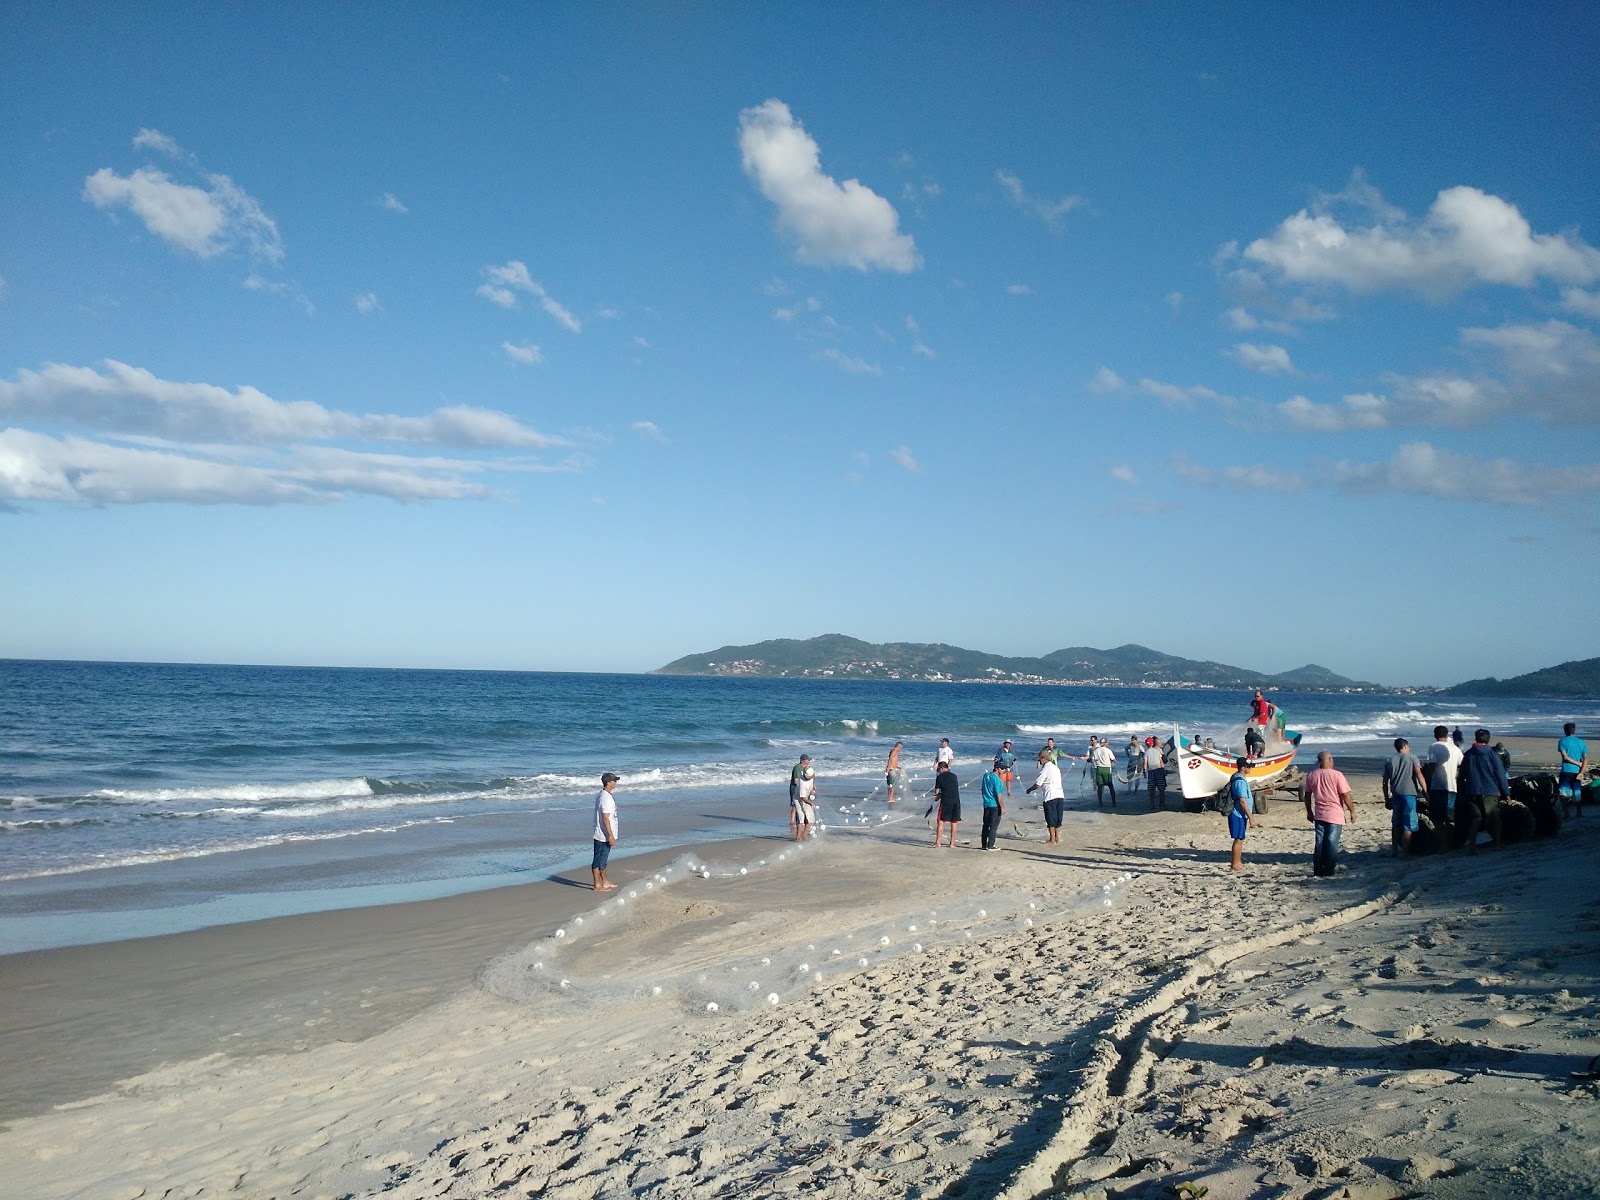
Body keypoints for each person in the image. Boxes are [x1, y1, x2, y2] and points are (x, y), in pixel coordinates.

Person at [1302, 751, 1355, 876]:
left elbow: (1307, 796)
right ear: (1329, 759)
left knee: (1320, 842)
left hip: (1319, 813)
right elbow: (1345, 795)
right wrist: (1352, 811)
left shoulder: (1312, 775)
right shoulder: (1337, 775)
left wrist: (1309, 812)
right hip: (1334, 813)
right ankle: (1329, 869)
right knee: (1331, 842)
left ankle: (1319, 868)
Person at [1460, 728, 1509, 854]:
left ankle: (1472, 845)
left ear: (1476, 739)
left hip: (1472, 791)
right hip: (1490, 790)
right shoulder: (1492, 754)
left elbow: (1462, 775)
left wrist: (1461, 791)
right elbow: (1500, 774)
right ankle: (1497, 844)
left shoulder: (1469, 754)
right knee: (1494, 817)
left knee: (1476, 818)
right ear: (1487, 739)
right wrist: (1506, 793)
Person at [1382, 737, 1428, 858]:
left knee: (1396, 823)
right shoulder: (1413, 758)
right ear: (1406, 746)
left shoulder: (1390, 760)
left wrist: (1386, 798)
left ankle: (1394, 849)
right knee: (1408, 824)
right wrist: (1425, 791)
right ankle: (1406, 852)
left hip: (1396, 793)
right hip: (1409, 794)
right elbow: (1419, 774)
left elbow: (1385, 782)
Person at [1425, 725, 1463, 847]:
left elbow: (1432, 765)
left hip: (1438, 786)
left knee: (1437, 817)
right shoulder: (1455, 749)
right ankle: (1451, 843)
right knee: (1450, 817)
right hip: (1452, 786)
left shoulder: (1434, 747)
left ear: (1435, 735)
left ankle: (1443, 844)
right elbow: (1462, 764)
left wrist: (1427, 781)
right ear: (1447, 735)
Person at [1027, 749, 1065, 844]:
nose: (1039, 761)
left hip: (1050, 795)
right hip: (1060, 794)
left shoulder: (1046, 769)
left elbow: (1038, 784)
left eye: (1040, 759)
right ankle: (1057, 838)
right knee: (1058, 817)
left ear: (1044, 759)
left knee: (1050, 818)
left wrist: (1029, 790)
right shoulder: (1056, 768)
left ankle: (1052, 839)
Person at [591, 771, 620, 891]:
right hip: (602, 835)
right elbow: (605, 818)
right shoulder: (606, 798)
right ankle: (597, 885)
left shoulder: (602, 794)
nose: (616, 782)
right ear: (609, 783)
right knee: (598, 861)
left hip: (604, 834)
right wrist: (611, 836)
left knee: (603, 860)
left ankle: (605, 882)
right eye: (614, 781)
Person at [1227, 757, 1255, 871]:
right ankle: (1235, 863)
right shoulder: (1239, 781)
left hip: (1240, 814)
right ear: (1243, 768)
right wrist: (1251, 817)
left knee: (1240, 838)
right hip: (1237, 813)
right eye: (1249, 767)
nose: (1250, 769)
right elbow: (1242, 801)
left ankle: (1238, 862)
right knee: (1238, 839)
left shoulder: (1240, 779)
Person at [1557, 722, 1589, 818]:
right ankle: (1579, 812)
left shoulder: (1562, 741)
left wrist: (1577, 763)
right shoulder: (1581, 742)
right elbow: (1586, 759)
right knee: (1577, 792)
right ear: (1574, 730)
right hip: (1577, 771)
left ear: (1565, 731)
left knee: (1563, 792)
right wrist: (1582, 771)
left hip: (1567, 770)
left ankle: (1566, 812)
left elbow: (1565, 757)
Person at [932, 759, 961, 848]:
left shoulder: (940, 777)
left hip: (945, 802)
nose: (938, 772)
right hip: (956, 801)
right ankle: (952, 844)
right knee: (954, 822)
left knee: (940, 821)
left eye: (938, 770)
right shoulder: (954, 776)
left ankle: (938, 842)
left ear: (942, 768)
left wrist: (938, 797)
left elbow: (936, 792)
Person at [980, 760, 1005, 850]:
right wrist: (1002, 807)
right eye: (1002, 769)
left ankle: (983, 844)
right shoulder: (997, 780)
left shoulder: (986, 776)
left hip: (986, 804)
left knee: (986, 825)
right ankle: (991, 845)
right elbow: (999, 795)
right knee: (993, 826)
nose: (1004, 771)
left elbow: (982, 790)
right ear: (997, 769)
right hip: (994, 805)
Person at [1090, 737, 1117, 807]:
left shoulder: (1096, 750)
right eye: (1107, 742)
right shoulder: (1108, 750)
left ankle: (1100, 802)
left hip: (1099, 769)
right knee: (1110, 786)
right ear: (1105, 743)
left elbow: (1092, 760)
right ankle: (1113, 802)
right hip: (1106, 769)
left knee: (1100, 787)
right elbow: (1114, 760)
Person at [789, 754, 811, 839]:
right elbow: (796, 781)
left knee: (799, 806)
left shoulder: (806, 769)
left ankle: (794, 821)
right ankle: (792, 821)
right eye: (807, 760)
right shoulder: (798, 768)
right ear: (802, 760)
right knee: (794, 806)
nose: (808, 761)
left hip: (802, 791)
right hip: (795, 790)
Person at [1144, 737, 1168, 810]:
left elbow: (1145, 763)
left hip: (1151, 771)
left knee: (1151, 789)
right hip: (1159, 770)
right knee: (1161, 789)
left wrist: (1144, 771)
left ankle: (1152, 804)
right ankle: (1162, 804)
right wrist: (1163, 770)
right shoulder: (1158, 751)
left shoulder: (1146, 752)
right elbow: (1161, 762)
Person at [793, 766, 817, 841]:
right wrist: (811, 803)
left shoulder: (810, 777)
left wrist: (813, 789)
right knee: (801, 818)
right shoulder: (802, 783)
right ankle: (798, 837)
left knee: (810, 818)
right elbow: (803, 798)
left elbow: (812, 783)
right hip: (798, 799)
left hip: (807, 797)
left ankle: (804, 835)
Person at [885, 741, 904, 805]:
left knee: (890, 784)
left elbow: (893, 761)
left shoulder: (893, 751)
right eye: (901, 748)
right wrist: (888, 768)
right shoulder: (894, 751)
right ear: (899, 746)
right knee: (893, 784)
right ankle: (891, 798)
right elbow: (890, 759)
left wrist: (898, 767)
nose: (900, 750)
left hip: (891, 769)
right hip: (891, 769)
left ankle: (889, 797)